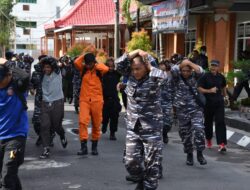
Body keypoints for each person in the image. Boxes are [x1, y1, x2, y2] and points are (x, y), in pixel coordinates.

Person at [116, 49, 168, 190]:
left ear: (145, 67)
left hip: (151, 128)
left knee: (152, 166)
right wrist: (137, 51)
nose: (135, 72)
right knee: (130, 161)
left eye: (138, 69)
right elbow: (119, 64)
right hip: (134, 127)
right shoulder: (130, 76)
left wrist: (149, 64)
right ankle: (141, 179)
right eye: (133, 69)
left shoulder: (154, 78)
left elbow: (164, 78)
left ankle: (147, 185)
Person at [172, 59, 207, 166]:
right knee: (185, 134)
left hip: (195, 109)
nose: (186, 73)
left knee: (199, 130)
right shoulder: (177, 77)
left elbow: (201, 71)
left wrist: (189, 63)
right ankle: (189, 154)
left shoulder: (195, 77)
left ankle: (200, 153)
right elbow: (174, 69)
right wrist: (184, 62)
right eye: (184, 70)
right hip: (182, 111)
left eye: (188, 71)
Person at [0, 61, 29, 190]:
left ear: (8, 75)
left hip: (15, 139)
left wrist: (7, 64)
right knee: (7, 174)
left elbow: (25, 76)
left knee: (8, 171)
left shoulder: (18, 86)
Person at [74, 53, 109, 156]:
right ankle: (83, 147)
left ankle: (94, 147)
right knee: (82, 121)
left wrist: (96, 62)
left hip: (97, 101)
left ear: (94, 63)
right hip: (84, 100)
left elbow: (106, 68)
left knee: (96, 124)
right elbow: (76, 62)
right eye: (87, 63)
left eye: (90, 63)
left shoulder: (99, 70)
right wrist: (84, 54)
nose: (88, 65)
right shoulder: (83, 69)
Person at [39, 56, 68, 159]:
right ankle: (46, 149)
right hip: (45, 103)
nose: (46, 69)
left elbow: (55, 65)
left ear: (52, 67)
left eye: (48, 67)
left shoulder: (57, 73)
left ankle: (62, 134)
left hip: (57, 102)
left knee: (56, 126)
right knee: (44, 126)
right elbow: (38, 66)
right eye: (45, 67)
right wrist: (43, 62)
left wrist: (50, 61)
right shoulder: (42, 74)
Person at [198, 60, 228, 152]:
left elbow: (223, 87)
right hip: (208, 103)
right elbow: (199, 88)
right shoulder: (205, 76)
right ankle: (209, 139)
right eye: (212, 66)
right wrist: (209, 91)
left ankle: (222, 144)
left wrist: (226, 97)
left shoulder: (221, 77)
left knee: (220, 121)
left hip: (219, 102)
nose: (213, 67)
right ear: (210, 66)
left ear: (218, 67)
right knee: (208, 122)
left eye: (215, 66)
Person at [101, 58, 122, 140]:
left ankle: (112, 133)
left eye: (112, 66)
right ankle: (104, 125)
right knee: (105, 116)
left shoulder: (117, 74)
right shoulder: (103, 74)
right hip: (104, 99)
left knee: (114, 117)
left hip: (114, 99)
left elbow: (124, 70)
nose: (110, 68)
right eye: (109, 66)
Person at [159, 60, 174, 144]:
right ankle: (158, 135)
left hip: (168, 101)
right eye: (160, 65)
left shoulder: (172, 75)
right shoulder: (157, 74)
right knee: (157, 120)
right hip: (157, 101)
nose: (160, 66)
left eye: (162, 65)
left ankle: (165, 133)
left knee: (168, 122)